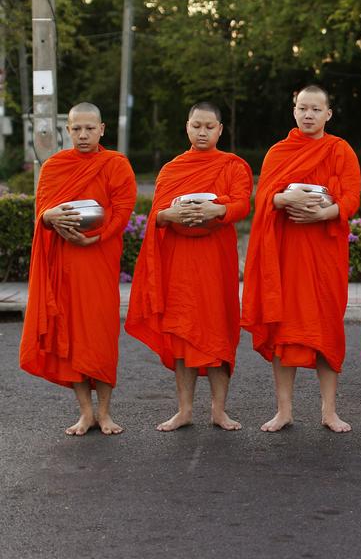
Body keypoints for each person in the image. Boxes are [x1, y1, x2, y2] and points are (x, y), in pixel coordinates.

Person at [125, 102, 253, 432]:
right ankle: (184, 410)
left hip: (216, 263)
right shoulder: (171, 169)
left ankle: (219, 411)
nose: (202, 132)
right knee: (183, 336)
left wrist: (216, 210)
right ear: (187, 126)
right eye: (196, 125)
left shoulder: (233, 166)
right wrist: (174, 215)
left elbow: (242, 204)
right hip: (180, 265)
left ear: (220, 130)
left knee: (219, 334)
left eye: (209, 127)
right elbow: (157, 214)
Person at [242, 85, 361, 433]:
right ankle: (284, 410)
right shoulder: (280, 151)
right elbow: (263, 197)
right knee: (285, 331)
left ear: (328, 114)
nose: (308, 115)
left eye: (315, 109)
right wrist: (279, 201)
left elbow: (352, 197)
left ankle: (329, 410)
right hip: (288, 255)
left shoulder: (340, 150)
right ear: (294, 110)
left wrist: (326, 214)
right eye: (302, 108)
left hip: (325, 253)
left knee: (326, 329)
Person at [19, 102, 136, 436]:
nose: (83, 135)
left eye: (89, 128)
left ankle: (105, 413)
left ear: (102, 129)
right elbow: (41, 212)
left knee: (100, 335)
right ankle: (86, 413)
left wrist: (96, 237)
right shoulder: (55, 166)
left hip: (98, 260)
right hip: (65, 265)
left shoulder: (115, 164)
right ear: (67, 131)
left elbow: (122, 211)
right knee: (71, 337)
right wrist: (49, 217)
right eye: (76, 129)